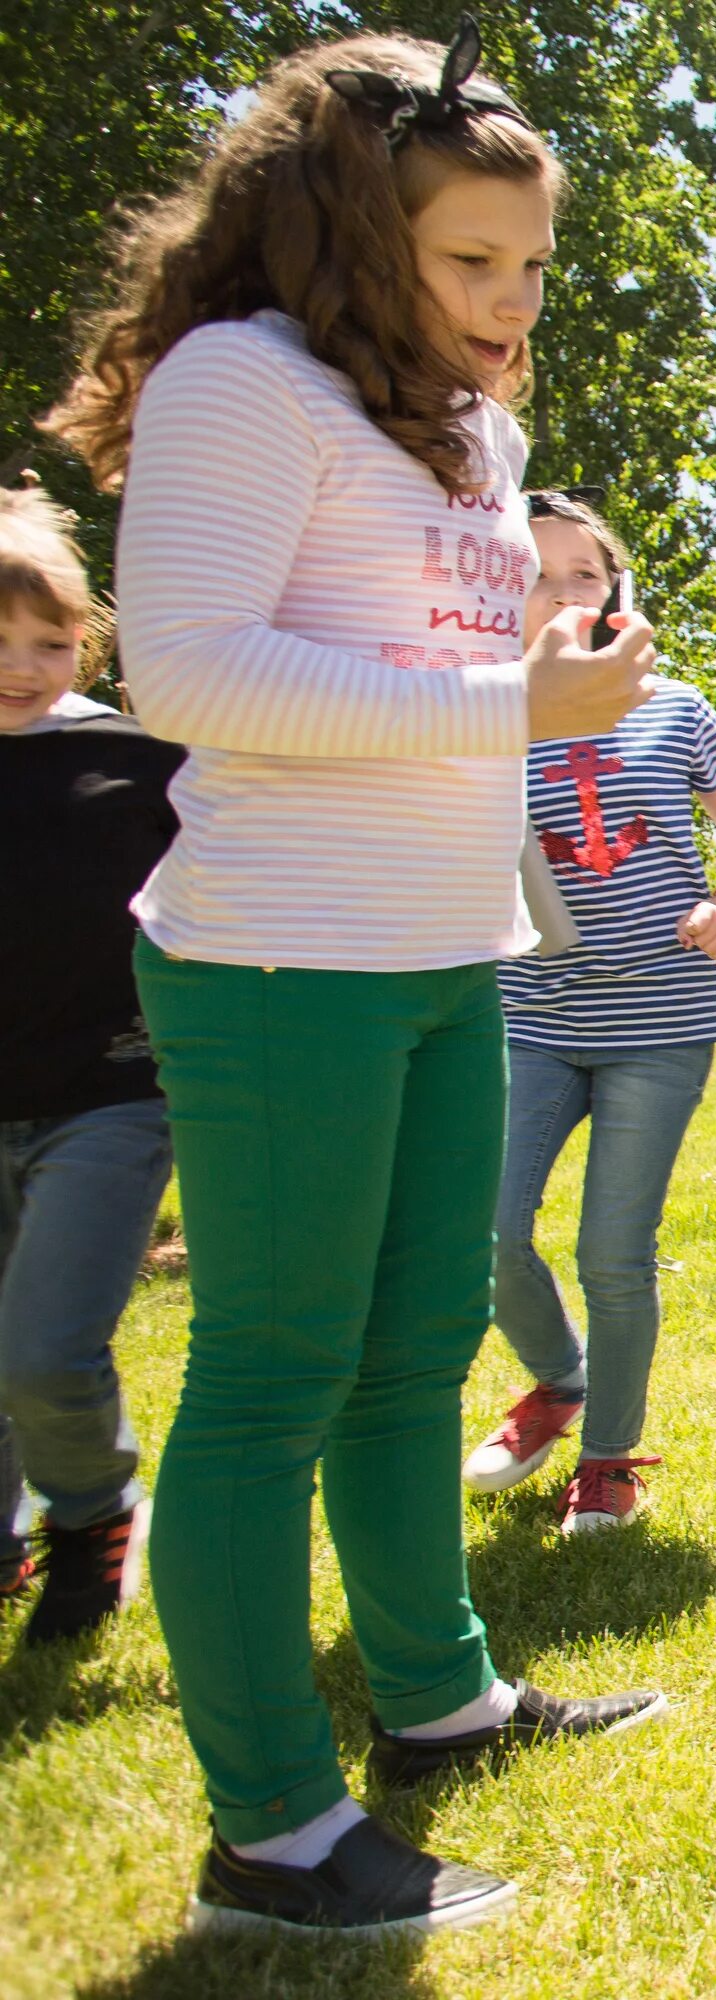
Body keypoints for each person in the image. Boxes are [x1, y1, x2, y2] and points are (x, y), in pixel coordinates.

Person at [45, 22, 665, 1937]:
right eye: (470, 261)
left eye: (534, 266)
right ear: (346, 232)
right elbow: (195, 677)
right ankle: (273, 1834)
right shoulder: (248, 380)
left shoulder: (482, 433)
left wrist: (554, 644)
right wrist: (512, 692)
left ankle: (438, 1693)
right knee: (271, 1380)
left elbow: (420, 653)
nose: (510, 302)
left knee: (411, 1364)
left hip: (443, 951)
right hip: (281, 955)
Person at [459, 488, 716, 1533]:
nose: (560, 591)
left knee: (613, 1251)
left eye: (583, 573)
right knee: (487, 1231)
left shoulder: (677, 707)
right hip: (528, 1013)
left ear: (616, 593)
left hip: (660, 1020)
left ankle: (608, 1456)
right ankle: (561, 1379)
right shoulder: (469, 711)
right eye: (533, 574)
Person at [0, 485, 178, 1650]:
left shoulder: (131, 756)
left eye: (52, 642)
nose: (24, 666)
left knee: (48, 1342)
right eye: (2, 640)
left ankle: (91, 1512)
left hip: (108, 1098)